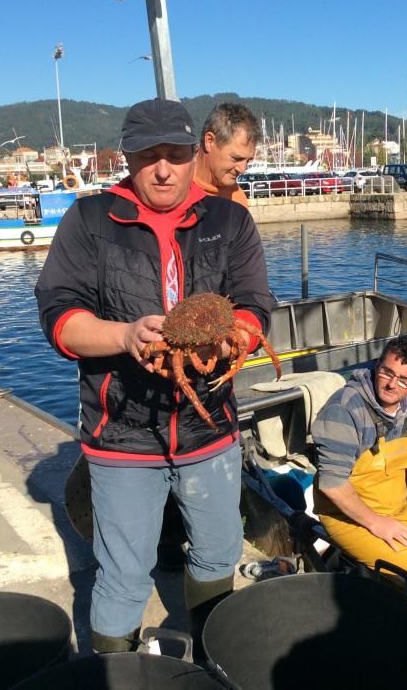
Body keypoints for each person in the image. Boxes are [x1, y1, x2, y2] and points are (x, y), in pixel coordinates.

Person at [35, 97, 274, 654]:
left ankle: (214, 657)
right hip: (121, 436)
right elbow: (59, 317)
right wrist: (123, 336)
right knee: (123, 575)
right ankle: (114, 674)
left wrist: (235, 333)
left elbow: (256, 301)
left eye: (174, 154)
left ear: (195, 153)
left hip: (209, 431)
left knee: (218, 552)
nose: (163, 168)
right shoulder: (90, 220)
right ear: (128, 157)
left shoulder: (229, 219)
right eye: (148, 156)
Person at [311, 335, 407, 656]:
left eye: (403, 379)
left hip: (394, 509)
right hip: (348, 517)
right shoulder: (344, 410)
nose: (392, 384)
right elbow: (332, 485)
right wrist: (376, 524)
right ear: (377, 366)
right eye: (387, 372)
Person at [158, 101, 262, 571]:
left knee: (210, 439)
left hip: (213, 342)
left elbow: (247, 286)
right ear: (208, 143)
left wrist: (234, 335)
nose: (241, 170)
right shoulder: (174, 189)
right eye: (235, 160)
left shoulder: (235, 202)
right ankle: (164, 540)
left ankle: (202, 540)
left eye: (247, 162)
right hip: (162, 341)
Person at [192, 102, 260, 207]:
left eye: (248, 161)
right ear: (209, 141)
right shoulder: (172, 188)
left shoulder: (237, 201)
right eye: (236, 158)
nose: (242, 170)